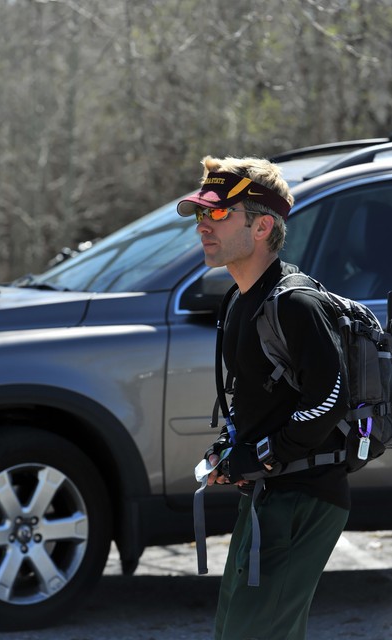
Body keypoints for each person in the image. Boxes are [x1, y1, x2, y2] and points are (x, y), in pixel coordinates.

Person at [177, 155, 350, 640]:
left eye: (217, 213)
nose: (203, 226)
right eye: (200, 213)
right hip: (264, 496)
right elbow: (261, 398)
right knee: (234, 630)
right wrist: (230, 447)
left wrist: (263, 454)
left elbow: (330, 399)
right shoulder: (239, 300)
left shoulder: (295, 303)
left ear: (262, 226)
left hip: (303, 498)